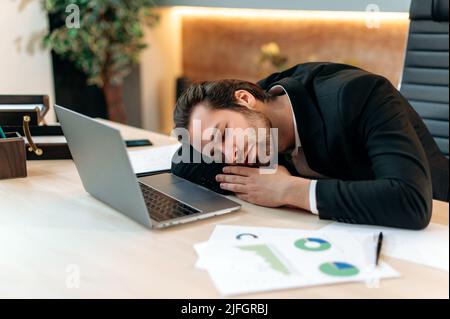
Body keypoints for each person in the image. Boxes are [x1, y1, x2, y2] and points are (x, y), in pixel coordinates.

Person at [171, 62, 449, 230]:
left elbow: (410, 202)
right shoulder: (255, 107)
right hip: (342, 230)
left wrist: (289, 190)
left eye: (224, 134)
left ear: (244, 99)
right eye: (215, 151)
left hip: (434, 222)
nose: (229, 155)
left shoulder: (359, 95)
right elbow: (182, 164)